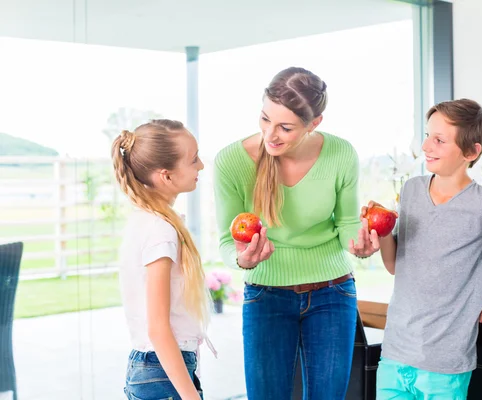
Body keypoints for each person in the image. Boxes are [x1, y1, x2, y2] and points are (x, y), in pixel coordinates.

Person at [213, 67, 378, 400]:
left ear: (314, 123)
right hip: (265, 295)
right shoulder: (231, 161)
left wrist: (357, 243)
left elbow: (346, 220)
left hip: (333, 293)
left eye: (285, 127)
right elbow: (228, 240)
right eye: (264, 120)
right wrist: (242, 259)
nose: (270, 135)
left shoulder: (341, 153)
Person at [368, 99, 482, 400]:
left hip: (445, 364)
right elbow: (396, 264)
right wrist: (381, 231)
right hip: (396, 352)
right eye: (426, 135)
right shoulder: (411, 191)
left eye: (439, 140)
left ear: (471, 152)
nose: (426, 146)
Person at [112, 119, 212, 400]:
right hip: (162, 373)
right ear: (166, 176)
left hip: (152, 370)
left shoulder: (144, 222)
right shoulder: (160, 231)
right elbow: (157, 329)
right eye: (193, 160)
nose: (201, 165)